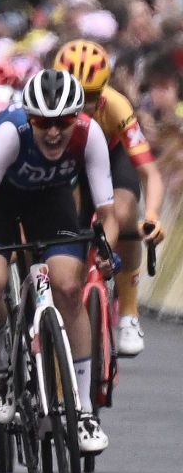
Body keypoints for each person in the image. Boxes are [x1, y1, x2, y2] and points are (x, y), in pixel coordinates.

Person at [0, 69, 119, 454]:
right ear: (30, 119)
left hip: (50, 198)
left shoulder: (89, 134)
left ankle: (83, 412)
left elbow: (108, 215)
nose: (53, 133)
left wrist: (107, 253)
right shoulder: (11, 135)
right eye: (43, 123)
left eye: (62, 122)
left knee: (67, 287)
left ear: (76, 118)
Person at [54, 40, 164, 356]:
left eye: (91, 97)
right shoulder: (45, 101)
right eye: (76, 96)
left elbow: (150, 173)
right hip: (70, 163)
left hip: (113, 160)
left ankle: (128, 313)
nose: (84, 105)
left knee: (126, 213)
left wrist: (153, 216)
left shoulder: (116, 106)